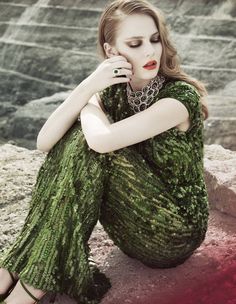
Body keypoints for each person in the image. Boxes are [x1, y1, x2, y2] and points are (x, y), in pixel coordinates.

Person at [0, 0, 210, 303]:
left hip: (173, 233)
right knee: (77, 137)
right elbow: (44, 141)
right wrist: (89, 86)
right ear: (112, 52)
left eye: (154, 40)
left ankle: (31, 283)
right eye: (135, 44)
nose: (150, 52)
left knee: (83, 138)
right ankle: (19, 269)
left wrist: (89, 102)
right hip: (129, 225)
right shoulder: (113, 91)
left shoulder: (178, 99)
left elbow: (100, 142)